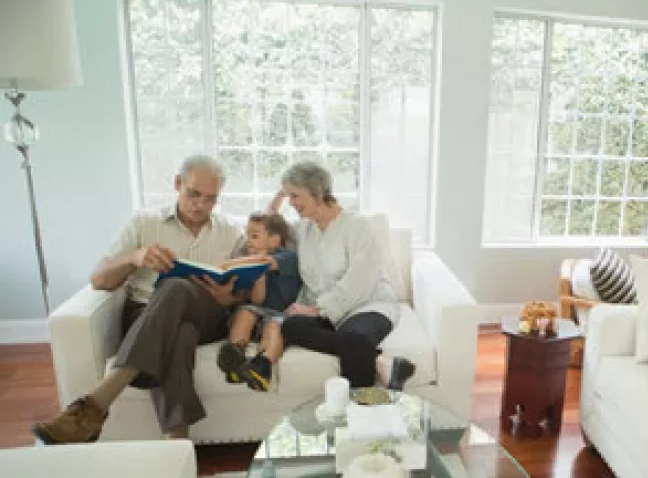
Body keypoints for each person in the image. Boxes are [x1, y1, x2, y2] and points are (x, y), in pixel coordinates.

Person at [33, 155, 245, 443]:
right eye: (194, 194)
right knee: (180, 333)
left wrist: (228, 297)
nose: (201, 206)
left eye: (211, 199)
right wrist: (135, 257)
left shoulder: (232, 232)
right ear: (177, 183)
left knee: (175, 287)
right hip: (146, 314)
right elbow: (99, 280)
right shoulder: (145, 222)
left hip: (207, 316)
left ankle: (95, 405)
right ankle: (178, 446)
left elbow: (244, 292)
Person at [264, 161, 415, 390]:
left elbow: (359, 284)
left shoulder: (357, 226)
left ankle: (359, 418)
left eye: (295, 196)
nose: (291, 203)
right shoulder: (303, 230)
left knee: (356, 338)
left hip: (367, 305)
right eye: (288, 197)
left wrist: (316, 310)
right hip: (326, 313)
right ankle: (382, 363)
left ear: (319, 192)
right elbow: (269, 225)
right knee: (291, 326)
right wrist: (279, 194)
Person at [215, 212, 301, 391]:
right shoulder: (249, 260)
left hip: (280, 314)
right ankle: (235, 354)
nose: (249, 241)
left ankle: (262, 364)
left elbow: (265, 261)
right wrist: (257, 275)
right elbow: (257, 300)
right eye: (248, 235)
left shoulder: (287, 258)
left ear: (274, 241)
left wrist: (232, 265)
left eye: (254, 236)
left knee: (275, 325)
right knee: (245, 311)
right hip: (257, 312)